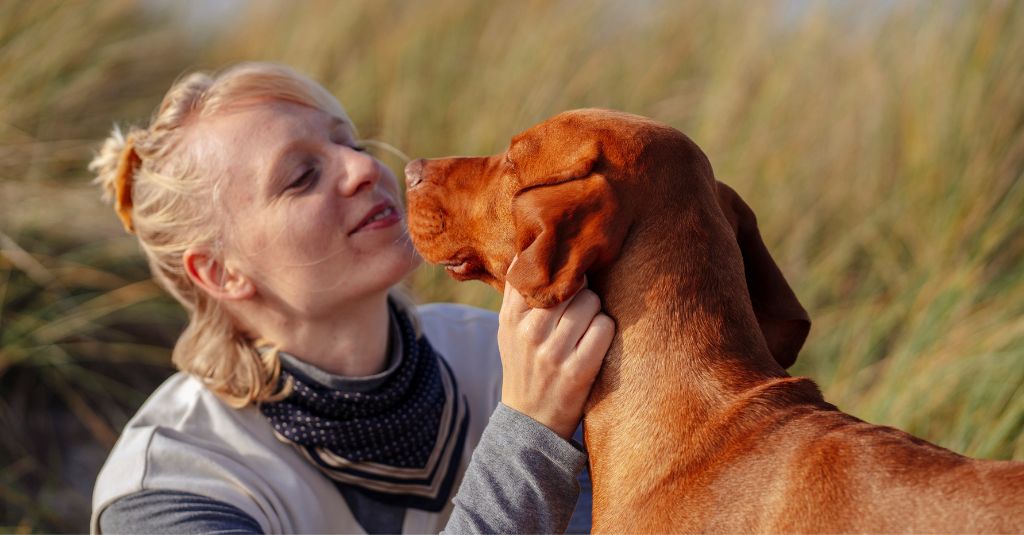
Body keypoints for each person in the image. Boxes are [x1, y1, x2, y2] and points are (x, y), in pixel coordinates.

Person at [87, 62, 614, 534]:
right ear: (221, 273)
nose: (364, 169)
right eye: (301, 177)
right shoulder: (170, 485)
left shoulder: (509, 357)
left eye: (351, 144)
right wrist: (531, 433)